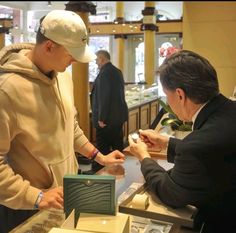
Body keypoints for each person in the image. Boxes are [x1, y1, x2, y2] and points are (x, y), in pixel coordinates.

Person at [0, 10, 125, 233]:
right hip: (26, 205)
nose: (76, 60)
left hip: (64, 194)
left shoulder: (63, 78)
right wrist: (36, 196)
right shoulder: (7, 89)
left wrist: (99, 156)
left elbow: (71, 127)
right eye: (71, 53)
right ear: (49, 46)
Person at [128, 50, 236, 233]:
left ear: (179, 95)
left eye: (166, 95)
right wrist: (165, 142)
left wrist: (144, 157)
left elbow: (170, 192)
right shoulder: (229, 111)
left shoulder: (199, 145)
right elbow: (214, 154)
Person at [91, 50, 128, 172]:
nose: (96, 63)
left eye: (97, 60)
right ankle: (119, 170)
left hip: (106, 121)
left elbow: (104, 97)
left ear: (102, 59)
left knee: (102, 148)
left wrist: (101, 118)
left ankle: (97, 173)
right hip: (118, 118)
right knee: (117, 146)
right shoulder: (117, 71)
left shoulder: (104, 73)